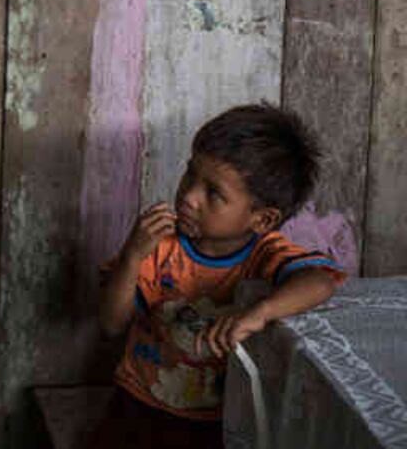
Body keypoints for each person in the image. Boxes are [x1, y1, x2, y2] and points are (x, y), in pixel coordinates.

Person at [92, 103, 345, 448]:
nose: (189, 197)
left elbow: (320, 282)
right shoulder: (159, 247)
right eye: (189, 174)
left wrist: (259, 313)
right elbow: (110, 324)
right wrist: (133, 256)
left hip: (220, 423)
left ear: (263, 219)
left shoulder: (265, 255)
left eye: (213, 193)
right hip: (139, 406)